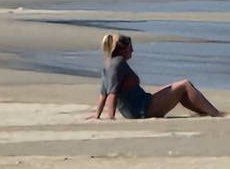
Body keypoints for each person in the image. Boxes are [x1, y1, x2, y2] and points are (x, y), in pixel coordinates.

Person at [88, 33, 222, 120]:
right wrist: (110, 118)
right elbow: (112, 94)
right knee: (185, 85)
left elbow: (103, 94)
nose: (133, 51)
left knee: (173, 89)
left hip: (137, 107)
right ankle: (216, 114)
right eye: (130, 48)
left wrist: (97, 115)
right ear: (122, 49)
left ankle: (204, 112)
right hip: (142, 109)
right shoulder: (118, 63)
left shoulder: (108, 64)